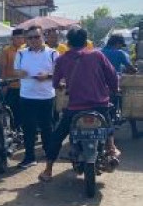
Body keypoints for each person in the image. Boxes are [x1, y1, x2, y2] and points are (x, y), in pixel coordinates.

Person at [39, 27, 119, 182]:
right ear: (86, 40)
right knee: (108, 124)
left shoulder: (62, 59)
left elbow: (55, 82)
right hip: (99, 105)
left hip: (75, 108)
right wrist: (115, 89)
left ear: (68, 42)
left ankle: (48, 170)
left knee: (57, 136)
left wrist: (62, 84)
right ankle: (111, 148)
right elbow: (112, 75)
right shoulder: (97, 55)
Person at [13, 27, 57, 168]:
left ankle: (49, 154)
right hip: (27, 96)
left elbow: (60, 74)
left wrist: (47, 76)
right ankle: (29, 157)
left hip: (46, 96)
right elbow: (16, 71)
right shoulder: (21, 54)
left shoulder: (53, 54)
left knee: (47, 127)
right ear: (27, 39)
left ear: (42, 37)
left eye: (36, 37)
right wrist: (20, 73)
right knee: (28, 128)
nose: (33, 40)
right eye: (30, 37)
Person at [0, 28, 26, 132]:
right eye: (17, 38)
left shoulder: (26, 50)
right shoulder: (6, 51)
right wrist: (4, 85)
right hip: (11, 86)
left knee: (23, 111)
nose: (20, 40)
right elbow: (3, 68)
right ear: (12, 39)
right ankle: (15, 132)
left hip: (24, 87)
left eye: (21, 38)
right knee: (12, 111)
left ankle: (22, 131)